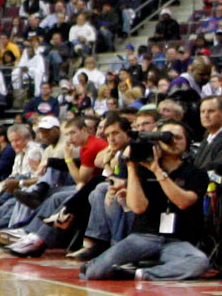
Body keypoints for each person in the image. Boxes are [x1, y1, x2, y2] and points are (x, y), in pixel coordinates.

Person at [80, 120, 210, 281]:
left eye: (178, 137)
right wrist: (131, 167)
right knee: (94, 273)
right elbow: (138, 207)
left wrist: (158, 171)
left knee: (199, 262)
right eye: (167, 138)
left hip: (177, 240)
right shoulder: (142, 169)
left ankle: (140, 273)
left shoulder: (196, 173)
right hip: (144, 236)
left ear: (187, 142)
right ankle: (140, 266)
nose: (172, 142)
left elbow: (183, 202)